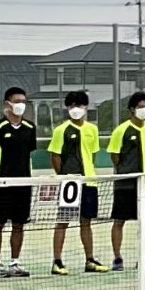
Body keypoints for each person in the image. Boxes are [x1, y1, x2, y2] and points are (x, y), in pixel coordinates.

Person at [0, 86, 40, 279]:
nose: (21, 105)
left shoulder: (30, 128)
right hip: (2, 184)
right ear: (7, 104)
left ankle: (15, 262)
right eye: (17, 101)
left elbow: (28, 153)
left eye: (23, 102)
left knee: (19, 224)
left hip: (23, 183)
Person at [48, 90, 103, 274]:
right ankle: (57, 261)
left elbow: (92, 154)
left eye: (79, 105)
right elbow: (55, 156)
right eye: (72, 105)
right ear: (67, 108)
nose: (75, 109)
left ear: (86, 107)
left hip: (89, 182)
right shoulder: (60, 130)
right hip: (69, 183)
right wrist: (65, 176)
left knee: (86, 221)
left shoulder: (92, 129)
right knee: (63, 221)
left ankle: (90, 260)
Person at [108, 91, 145, 271]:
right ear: (132, 109)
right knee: (119, 221)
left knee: (144, 222)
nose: (144, 110)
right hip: (125, 183)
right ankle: (117, 258)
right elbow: (114, 155)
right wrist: (124, 170)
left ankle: (143, 258)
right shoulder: (121, 130)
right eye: (140, 107)